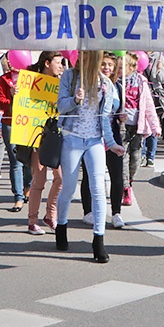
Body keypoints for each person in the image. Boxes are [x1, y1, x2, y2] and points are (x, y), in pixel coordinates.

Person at [55, 50, 125, 263]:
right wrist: (75, 100)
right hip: (72, 137)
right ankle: (61, 226)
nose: (83, 56)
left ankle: (99, 239)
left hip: (95, 140)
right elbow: (60, 106)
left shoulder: (105, 84)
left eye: (89, 53)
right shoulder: (70, 76)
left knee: (98, 188)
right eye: (82, 52)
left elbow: (105, 119)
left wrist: (111, 144)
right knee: (68, 187)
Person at [80, 52, 127, 229]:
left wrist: (122, 118)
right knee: (90, 175)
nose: (106, 68)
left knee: (117, 175)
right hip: (92, 133)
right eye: (103, 64)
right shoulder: (91, 84)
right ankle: (88, 211)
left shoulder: (118, 87)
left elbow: (117, 112)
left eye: (110, 65)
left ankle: (116, 213)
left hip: (112, 134)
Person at [25, 51, 65, 235]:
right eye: (58, 62)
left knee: (61, 178)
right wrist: (14, 93)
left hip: (57, 136)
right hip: (37, 135)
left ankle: (51, 214)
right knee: (39, 180)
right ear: (47, 63)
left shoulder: (63, 83)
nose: (62, 66)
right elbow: (23, 105)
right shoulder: (32, 82)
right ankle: (32, 220)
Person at [115, 51, 161, 206]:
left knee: (135, 159)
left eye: (123, 67)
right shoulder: (114, 82)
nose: (120, 70)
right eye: (118, 67)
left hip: (137, 126)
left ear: (132, 67)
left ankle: (129, 179)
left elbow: (148, 105)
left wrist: (155, 126)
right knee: (123, 158)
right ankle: (125, 188)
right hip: (121, 125)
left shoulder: (141, 81)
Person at [0, 55, 32, 212]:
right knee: (15, 161)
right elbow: (0, 102)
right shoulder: (3, 79)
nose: (11, 62)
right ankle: (18, 197)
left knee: (29, 160)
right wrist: (11, 95)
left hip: (28, 123)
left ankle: (28, 186)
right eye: (9, 59)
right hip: (10, 122)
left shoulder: (31, 77)